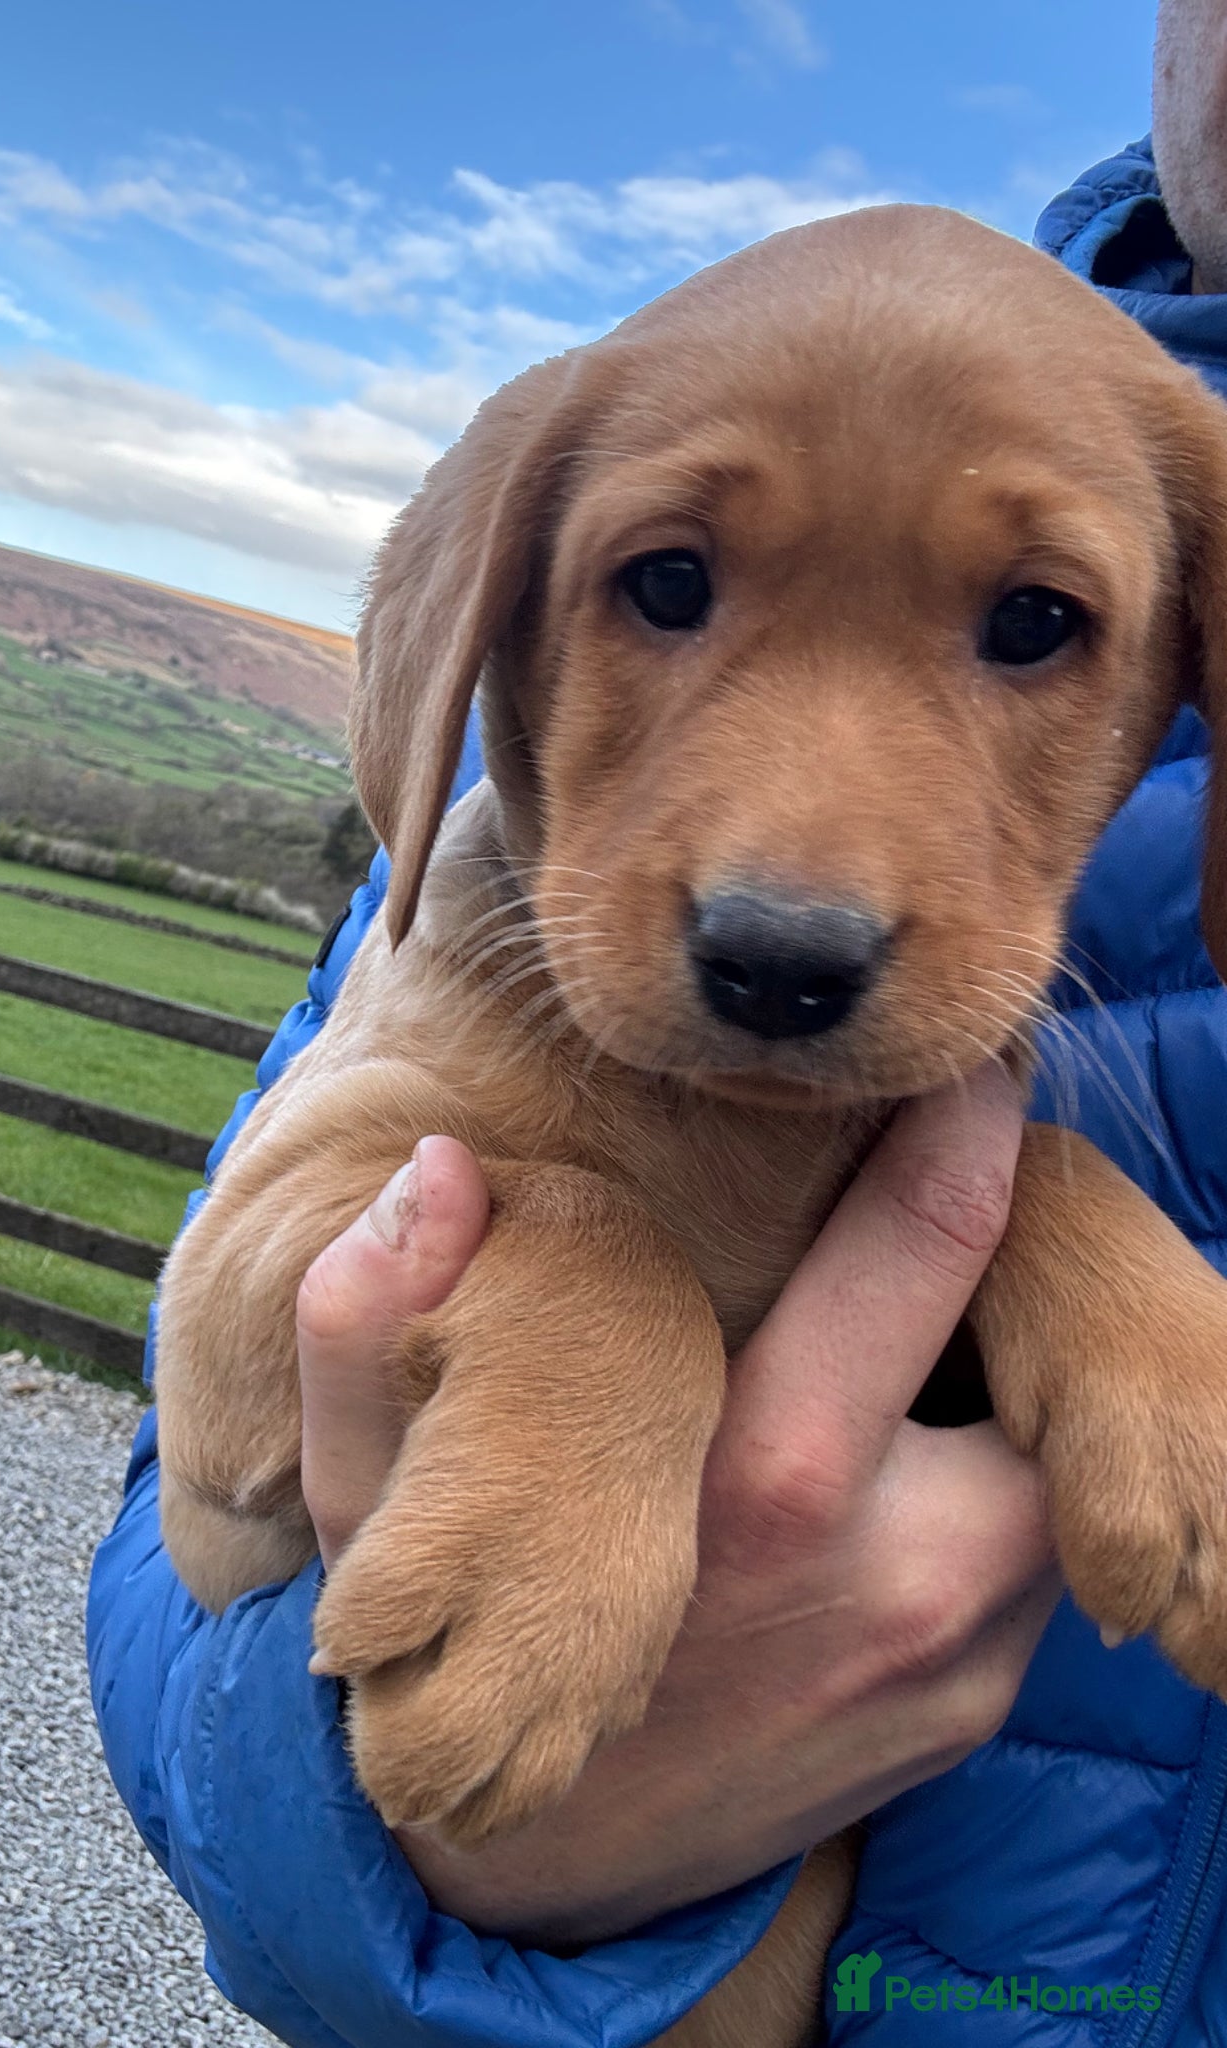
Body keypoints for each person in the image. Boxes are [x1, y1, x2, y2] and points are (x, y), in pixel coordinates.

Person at [87, 7, 1227, 2037]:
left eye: (1033, 623)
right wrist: (558, 1314)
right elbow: (225, 1401)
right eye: (670, 579)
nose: (801, 877)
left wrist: (1081, 1251)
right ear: (483, 627)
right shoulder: (488, 916)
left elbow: (940, 1228)